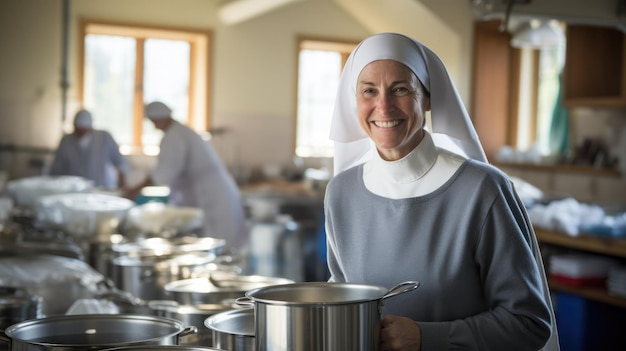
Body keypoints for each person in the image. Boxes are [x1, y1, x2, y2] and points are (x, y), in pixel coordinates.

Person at [324, 33, 559, 351]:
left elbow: (529, 324)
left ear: (428, 97)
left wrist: (427, 337)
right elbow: (341, 294)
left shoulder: (483, 191)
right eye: (369, 90)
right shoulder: (342, 192)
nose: (383, 105)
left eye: (401, 89)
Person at [124, 101, 248, 251]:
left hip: (211, 196)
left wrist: (134, 190)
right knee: (215, 241)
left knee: (218, 242)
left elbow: (164, 172)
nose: (154, 126)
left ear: (159, 119)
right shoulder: (180, 131)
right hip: (210, 194)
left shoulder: (174, 136)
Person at [49, 109, 130, 189]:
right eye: (78, 130)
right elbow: (56, 169)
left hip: (100, 188)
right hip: (73, 190)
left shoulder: (104, 138)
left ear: (90, 128)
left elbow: (120, 161)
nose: (80, 133)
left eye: (83, 130)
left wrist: (122, 178)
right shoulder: (66, 141)